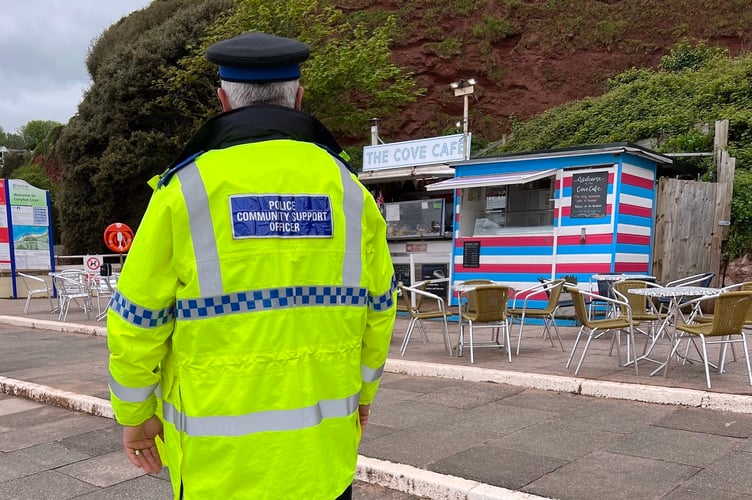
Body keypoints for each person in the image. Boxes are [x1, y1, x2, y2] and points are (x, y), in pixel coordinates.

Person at [107, 31, 396, 500]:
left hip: (217, 473)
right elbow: (380, 311)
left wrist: (135, 416)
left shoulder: (184, 192)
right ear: (299, 98)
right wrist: (362, 400)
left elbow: (136, 321)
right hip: (320, 465)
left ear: (223, 101)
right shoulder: (351, 194)